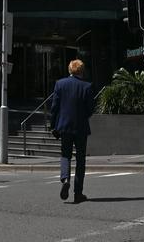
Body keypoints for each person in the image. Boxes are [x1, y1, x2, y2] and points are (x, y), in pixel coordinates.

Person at [50, 58, 95, 204]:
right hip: (81, 127)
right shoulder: (87, 86)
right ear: (82, 71)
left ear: (70, 70)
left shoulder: (60, 84)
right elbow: (90, 109)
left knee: (65, 155)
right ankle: (78, 193)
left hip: (64, 126)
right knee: (80, 159)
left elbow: (54, 107)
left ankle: (65, 179)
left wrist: (53, 125)